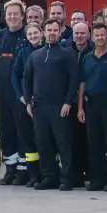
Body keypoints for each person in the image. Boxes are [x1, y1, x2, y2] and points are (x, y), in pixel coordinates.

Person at [23, 19, 80, 190]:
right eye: (49, 30)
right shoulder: (35, 55)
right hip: (39, 107)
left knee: (63, 143)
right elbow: (26, 79)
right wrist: (28, 101)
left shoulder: (67, 54)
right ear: (44, 32)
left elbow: (74, 80)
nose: (52, 33)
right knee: (43, 143)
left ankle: (67, 178)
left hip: (60, 106)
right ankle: (49, 177)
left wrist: (68, 102)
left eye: (55, 30)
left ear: (59, 32)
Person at [77, 23, 107, 191]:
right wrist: (80, 108)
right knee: (94, 144)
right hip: (91, 105)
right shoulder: (87, 58)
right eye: (96, 35)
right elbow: (82, 84)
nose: (99, 38)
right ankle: (97, 180)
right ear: (92, 37)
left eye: (102, 35)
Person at [0, 0, 32, 185]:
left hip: (21, 94)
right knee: (6, 131)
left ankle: (23, 171)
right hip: (3, 94)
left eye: (16, 14)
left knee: (22, 132)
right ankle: (10, 168)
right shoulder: (0, 35)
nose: (12, 17)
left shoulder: (27, 35)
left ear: (22, 16)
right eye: (9, 14)